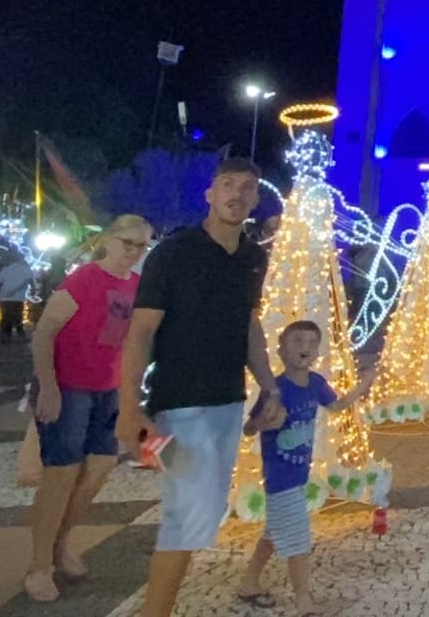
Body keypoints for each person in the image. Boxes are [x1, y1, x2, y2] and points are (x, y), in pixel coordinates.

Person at [116, 159, 286, 617]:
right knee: (188, 511)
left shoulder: (253, 257)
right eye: (227, 185)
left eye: (247, 188)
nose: (237, 194)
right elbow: (141, 332)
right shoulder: (174, 254)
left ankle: (148, 454)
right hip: (177, 403)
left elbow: (248, 325)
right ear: (209, 194)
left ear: (255, 199)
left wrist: (269, 387)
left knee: (202, 509)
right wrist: (129, 408)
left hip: (227, 404)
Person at [22, 215, 153, 602]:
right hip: (70, 387)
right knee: (60, 475)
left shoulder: (136, 286)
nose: (132, 251)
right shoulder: (83, 279)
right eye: (127, 242)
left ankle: (61, 544)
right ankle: (39, 565)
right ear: (109, 239)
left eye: (140, 245)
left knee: (97, 470)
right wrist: (48, 387)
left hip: (108, 390)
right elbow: (45, 332)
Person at [234, 321, 372, 615]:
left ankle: (249, 583)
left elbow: (336, 405)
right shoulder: (275, 389)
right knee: (298, 539)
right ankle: (304, 600)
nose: (304, 348)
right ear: (282, 350)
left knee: (272, 535)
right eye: (297, 341)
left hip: (299, 476)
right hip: (279, 478)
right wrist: (266, 421)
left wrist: (363, 385)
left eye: (311, 342)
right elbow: (248, 428)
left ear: (318, 351)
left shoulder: (317, 384)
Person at [0, 251, 36, 342]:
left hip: (5, 298)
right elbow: (32, 282)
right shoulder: (26, 269)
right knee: (18, 316)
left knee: (6, 317)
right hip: (18, 297)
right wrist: (33, 292)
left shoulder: (6, 269)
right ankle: (20, 335)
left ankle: (5, 336)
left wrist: (1, 292)